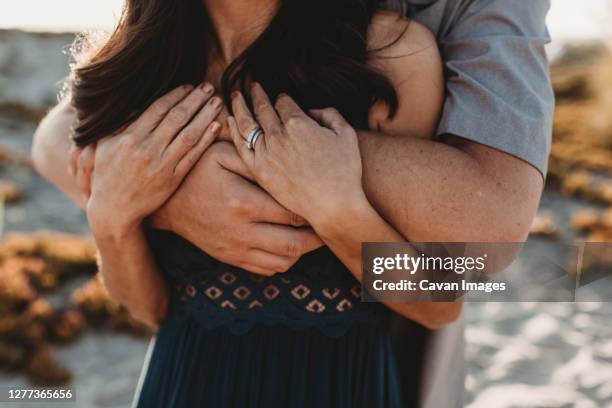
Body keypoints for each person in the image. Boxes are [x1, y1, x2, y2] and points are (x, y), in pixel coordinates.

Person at [31, 0, 554, 407]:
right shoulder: (138, 69)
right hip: (182, 381)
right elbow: (151, 309)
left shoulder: (393, 55)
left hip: (343, 389)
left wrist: (340, 211)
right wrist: (111, 217)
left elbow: (438, 304)